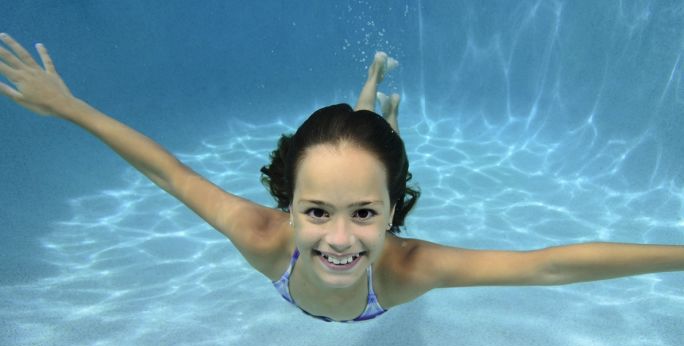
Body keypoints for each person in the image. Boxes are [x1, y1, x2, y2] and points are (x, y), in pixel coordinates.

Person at [1, 33, 683, 323]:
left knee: (364, 143)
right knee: (358, 132)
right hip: (357, 165)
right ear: (287, 207)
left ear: (394, 214)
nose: (337, 240)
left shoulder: (410, 268)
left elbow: (550, 268)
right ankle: (374, 92)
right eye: (316, 211)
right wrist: (68, 106)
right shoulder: (263, 234)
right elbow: (168, 172)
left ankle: (379, 109)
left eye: (364, 214)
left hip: (381, 195)